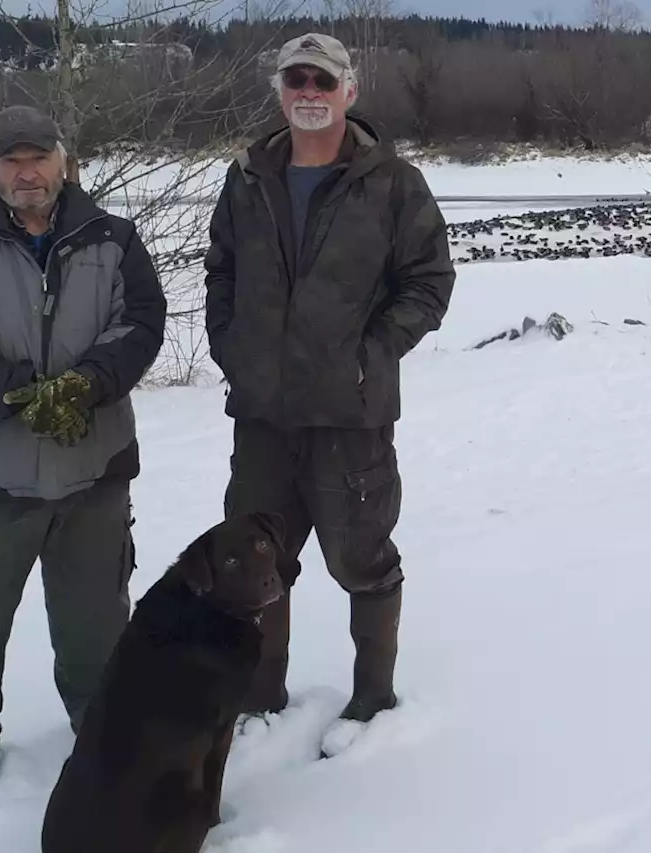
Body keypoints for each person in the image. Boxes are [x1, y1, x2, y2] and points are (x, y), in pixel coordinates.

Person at [0, 105, 167, 805]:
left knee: (99, 627)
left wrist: (88, 385)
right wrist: (21, 394)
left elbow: (140, 325)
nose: (27, 172)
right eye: (11, 160)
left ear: (62, 159)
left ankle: (106, 730)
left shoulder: (113, 238)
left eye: (38, 157)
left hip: (95, 470)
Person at [202, 33, 455, 744]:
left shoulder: (393, 182)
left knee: (359, 557)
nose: (308, 92)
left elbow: (430, 282)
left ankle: (373, 698)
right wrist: (232, 347)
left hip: (351, 414)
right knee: (253, 559)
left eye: (323, 79)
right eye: (296, 80)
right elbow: (220, 269)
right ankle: (260, 697)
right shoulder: (248, 175)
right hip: (262, 416)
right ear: (279, 91)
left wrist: (371, 353)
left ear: (349, 90)